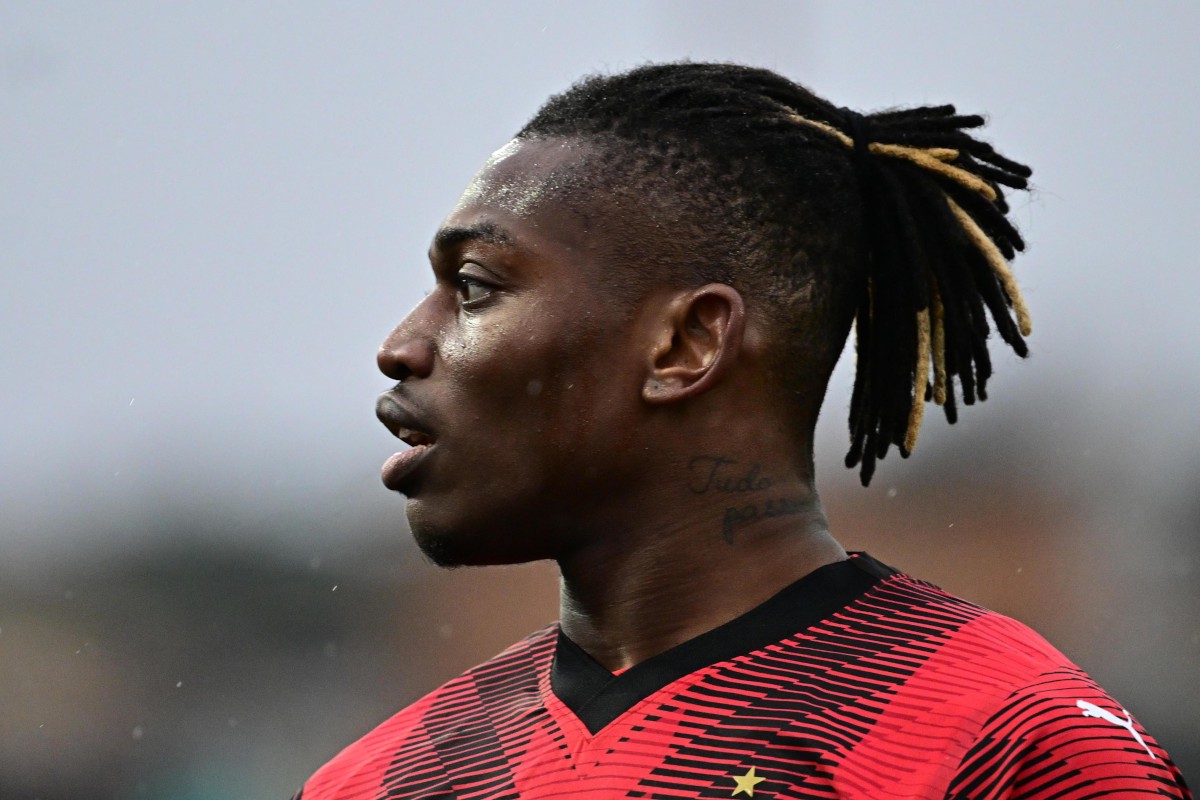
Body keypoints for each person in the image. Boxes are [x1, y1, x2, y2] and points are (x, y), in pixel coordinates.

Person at [293, 63, 1192, 799]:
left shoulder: (1007, 751)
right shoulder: (381, 782)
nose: (401, 344)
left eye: (477, 287)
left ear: (685, 343)